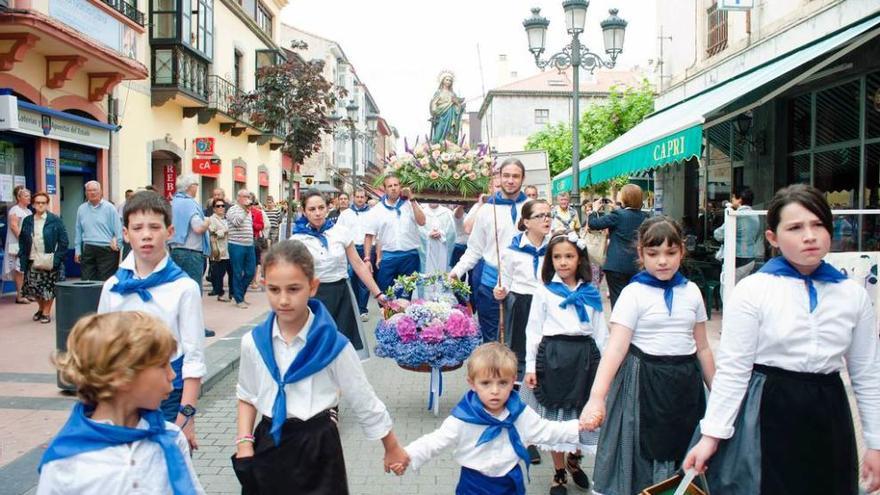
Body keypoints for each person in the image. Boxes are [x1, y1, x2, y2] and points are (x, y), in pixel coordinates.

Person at [684, 184, 880, 494]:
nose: (809, 235)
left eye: (818, 225)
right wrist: (711, 436)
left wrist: (876, 443)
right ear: (773, 237)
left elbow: (867, 372)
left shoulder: (852, 294)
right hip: (768, 408)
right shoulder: (754, 290)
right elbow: (734, 370)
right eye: (795, 227)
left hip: (829, 409)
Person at [232, 240, 409, 493]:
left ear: (313, 287)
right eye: (274, 289)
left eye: (294, 289)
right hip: (268, 441)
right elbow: (247, 394)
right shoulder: (253, 342)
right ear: (264, 286)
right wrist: (244, 443)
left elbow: (364, 399)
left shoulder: (334, 346)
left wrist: (391, 446)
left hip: (318, 444)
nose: (283, 300)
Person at [582, 216, 715, 495]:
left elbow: (702, 346)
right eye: (653, 254)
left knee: (685, 447)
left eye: (670, 252)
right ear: (641, 254)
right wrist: (597, 398)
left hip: (685, 385)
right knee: (645, 452)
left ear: (682, 251)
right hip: (643, 383)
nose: (662, 261)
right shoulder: (634, 293)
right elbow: (616, 349)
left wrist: (719, 393)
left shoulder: (691, 292)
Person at [36, 311, 204, 494]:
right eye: (162, 365)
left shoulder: (171, 438)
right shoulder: (64, 461)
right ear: (122, 376)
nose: (172, 374)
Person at [98, 191, 206, 449]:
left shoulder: (184, 288)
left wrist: (187, 415)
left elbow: (194, 357)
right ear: (126, 234)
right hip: (121, 394)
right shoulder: (112, 287)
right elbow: (100, 350)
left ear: (169, 232)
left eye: (154, 227)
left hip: (168, 394)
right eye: (137, 228)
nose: (146, 234)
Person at [401, 343, 582, 494]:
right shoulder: (463, 418)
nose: (495, 391)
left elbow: (547, 431)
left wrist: (581, 427)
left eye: (502, 383)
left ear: (513, 382)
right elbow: (436, 441)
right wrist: (406, 455)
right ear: (472, 383)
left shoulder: (520, 413)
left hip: (509, 483)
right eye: (486, 383)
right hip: (473, 485)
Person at [519, 231, 606, 495]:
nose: (563, 262)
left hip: (584, 359)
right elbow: (533, 331)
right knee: (556, 418)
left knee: (580, 414)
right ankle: (558, 472)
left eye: (569, 256)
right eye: (557, 257)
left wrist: (605, 371)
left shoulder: (591, 292)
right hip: (553, 357)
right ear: (551, 261)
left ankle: (574, 460)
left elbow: (601, 332)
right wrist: (531, 367)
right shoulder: (544, 291)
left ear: (579, 259)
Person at [290, 191, 387, 359]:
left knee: (342, 351)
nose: (318, 212)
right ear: (304, 211)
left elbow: (358, 264)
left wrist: (378, 294)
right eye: (312, 209)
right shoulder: (297, 239)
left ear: (328, 208)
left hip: (341, 294)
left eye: (321, 207)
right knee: (316, 349)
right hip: (313, 298)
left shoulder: (340, 232)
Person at [450, 159, 528, 342]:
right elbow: (475, 248)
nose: (510, 180)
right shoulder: (486, 210)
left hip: (523, 283)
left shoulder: (531, 207)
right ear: (499, 178)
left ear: (523, 178)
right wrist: (457, 271)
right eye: (506, 176)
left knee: (520, 339)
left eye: (515, 176)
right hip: (491, 281)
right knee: (491, 339)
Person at [493, 199, 552, 382]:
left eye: (549, 215)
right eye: (540, 216)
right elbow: (505, 279)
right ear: (526, 222)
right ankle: (516, 383)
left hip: (545, 304)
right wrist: (500, 291)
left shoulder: (553, 247)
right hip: (520, 304)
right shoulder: (512, 250)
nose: (546, 219)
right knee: (519, 347)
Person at [588, 184, 648, 308]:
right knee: (635, 301)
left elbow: (593, 224)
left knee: (618, 302)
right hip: (637, 265)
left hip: (616, 266)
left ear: (624, 198)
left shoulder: (618, 215)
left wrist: (594, 210)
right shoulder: (645, 217)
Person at [364, 174, 426, 292]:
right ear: (385, 189)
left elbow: (422, 222)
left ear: (400, 187)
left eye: (396, 185)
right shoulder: (377, 210)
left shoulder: (409, 204)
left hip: (409, 256)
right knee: (386, 293)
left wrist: (412, 199)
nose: (393, 188)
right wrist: (367, 259)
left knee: (406, 295)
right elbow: (369, 235)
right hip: (388, 257)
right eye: (390, 186)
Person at [19, 192, 68, 324]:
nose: (40, 205)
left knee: (48, 288)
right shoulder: (27, 220)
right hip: (32, 258)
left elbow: (64, 241)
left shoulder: (54, 220)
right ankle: (41, 308)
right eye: (38, 203)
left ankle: (46, 312)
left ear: (47, 204)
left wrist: (57, 259)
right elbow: (23, 240)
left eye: (43, 203)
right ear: (33, 204)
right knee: (34, 287)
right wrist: (22, 256)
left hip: (48, 259)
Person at [74, 181, 123, 281]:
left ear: (100, 192)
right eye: (89, 190)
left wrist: (118, 244)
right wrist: (77, 250)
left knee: (105, 282)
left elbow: (118, 229)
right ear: (86, 193)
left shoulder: (110, 208)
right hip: (88, 248)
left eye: (94, 190)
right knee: (87, 281)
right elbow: (78, 230)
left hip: (107, 249)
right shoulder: (81, 209)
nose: (92, 193)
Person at [336, 189, 373, 320]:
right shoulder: (346, 214)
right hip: (350, 248)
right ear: (353, 198)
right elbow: (338, 231)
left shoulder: (371, 213)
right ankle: (352, 307)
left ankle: (363, 309)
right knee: (351, 277)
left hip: (366, 248)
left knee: (364, 279)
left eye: (362, 197)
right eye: (357, 197)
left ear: (366, 198)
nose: (360, 199)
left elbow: (375, 232)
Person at [713, 187, 761, 283]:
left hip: (736, 259)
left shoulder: (736, 215)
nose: (731, 200)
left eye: (733, 197)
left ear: (740, 199)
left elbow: (718, 234)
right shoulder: (755, 215)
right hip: (750, 258)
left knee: (728, 292)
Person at [226, 189, 256, 308]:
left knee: (250, 272)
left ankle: (239, 294)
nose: (248, 199)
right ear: (238, 197)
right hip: (236, 244)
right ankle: (239, 299)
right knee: (237, 272)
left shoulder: (247, 211)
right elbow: (237, 222)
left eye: (249, 196)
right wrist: (245, 210)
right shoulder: (232, 209)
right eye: (245, 197)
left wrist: (247, 210)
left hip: (249, 244)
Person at [4, 185, 31, 303]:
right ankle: (20, 296)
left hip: (28, 243)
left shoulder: (28, 211)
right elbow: (14, 227)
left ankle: (26, 292)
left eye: (29, 196)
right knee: (19, 269)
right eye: (26, 196)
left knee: (26, 269)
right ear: (19, 197)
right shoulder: (15, 210)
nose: (29, 198)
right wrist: (24, 240)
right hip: (18, 243)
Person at [429, 71, 464, 144]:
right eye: (447, 80)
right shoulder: (439, 92)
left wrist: (456, 103)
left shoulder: (453, 94)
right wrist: (434, 111)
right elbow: (433, 103)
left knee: (449, 133)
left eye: (450, 80)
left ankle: (448, 145)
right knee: (438, 133)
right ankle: (437, 145)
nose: (448, 82)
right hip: (441, 116)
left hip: (451, 115)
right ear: (442, 81)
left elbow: (458, 108)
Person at [420, 204, 455, 274]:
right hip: (428, 249)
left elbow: (452, 232)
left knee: (442, 272)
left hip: (443, 247)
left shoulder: (447, 212)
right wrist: (428, 234)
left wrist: (442, 234)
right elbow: (418, 231)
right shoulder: (422, 212)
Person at [208, 197, 231, 302]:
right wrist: (225, 230)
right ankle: (220, 293)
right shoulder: (211, 219)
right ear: (214, 208)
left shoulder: (227, 219)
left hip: (229, 250)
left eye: (223, 206)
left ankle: (232, 293)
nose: (221, 208)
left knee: (232, 273)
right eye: (218, 206)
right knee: (219, 274)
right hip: (218, 250)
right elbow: (213, 232)